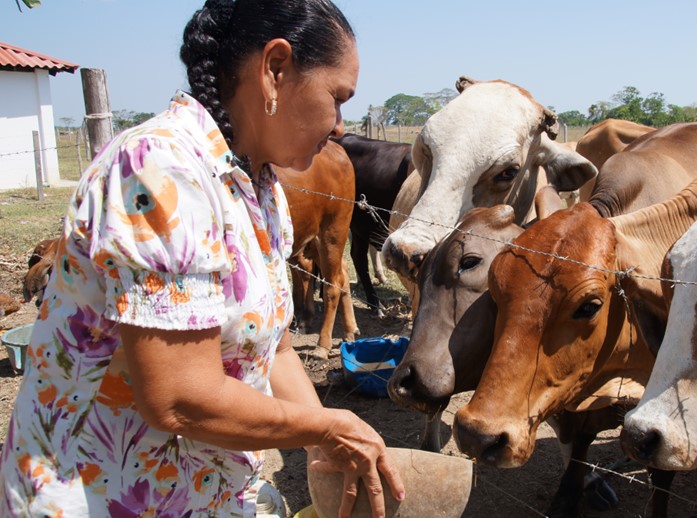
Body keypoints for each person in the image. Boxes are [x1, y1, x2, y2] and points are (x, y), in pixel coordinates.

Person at [0, 0, 405, 516]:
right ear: (275, 70)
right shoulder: (157, 170)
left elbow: (273, 349)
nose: (338, 124)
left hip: (200, 488)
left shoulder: (260, 191)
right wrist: (331, 426)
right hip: (102, 494)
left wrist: (322, 442)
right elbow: (180, 396)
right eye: (336, 97)